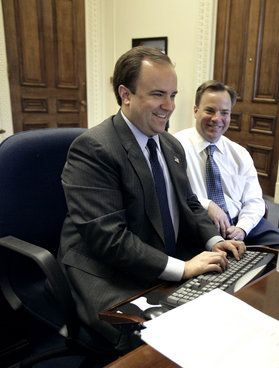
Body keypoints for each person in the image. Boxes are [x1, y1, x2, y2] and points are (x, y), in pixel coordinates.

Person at [57, 47, 244, 351]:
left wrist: (213, 241)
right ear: (125, 94)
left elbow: (190, 203)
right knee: (165, 345)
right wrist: (182, 269)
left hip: (157, 257)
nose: (169, 106)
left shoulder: (170, 144)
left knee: (224, 314)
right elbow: (109, 240)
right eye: (158, 94)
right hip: (109, 272)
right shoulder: (93, 149)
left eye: (173, 94)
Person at [174, 80, 279, 246]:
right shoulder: (175, 146)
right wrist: (208, 205)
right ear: (196, 111)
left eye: (224, 113)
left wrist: (242, 228)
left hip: (238, 222)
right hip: (200, 223)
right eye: (210, 110)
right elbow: (175, 194)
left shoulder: (239, 154)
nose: (217, 119)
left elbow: (254, 200)